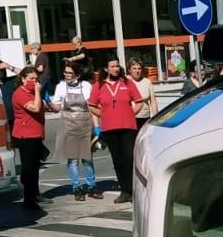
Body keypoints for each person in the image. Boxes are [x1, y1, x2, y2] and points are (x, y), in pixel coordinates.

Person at [89, 58, 144, 204]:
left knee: (129, 158)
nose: (116, 69)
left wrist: (132, 113)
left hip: (128, 127)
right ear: (106, 69)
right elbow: (91, 105)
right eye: (112, 66)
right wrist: (104, 115)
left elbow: (139, 101)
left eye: (117, 66)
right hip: (109, 128)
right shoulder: (98, 85)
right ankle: (125, 191)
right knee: (118, 161)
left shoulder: (127, 82)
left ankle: (134, 190)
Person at [48, 65, 103, 200]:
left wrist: (97, 127)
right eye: (65, 72)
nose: (66, 75)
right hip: (68, 125)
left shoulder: (86, 86)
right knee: (72, 159)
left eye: (69, 73)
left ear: (77, 75)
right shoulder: (60, 87)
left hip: (85, 124)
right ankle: (76, 187)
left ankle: (91, 186)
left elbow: (92, 107)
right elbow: (57, 107)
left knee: (87, 159)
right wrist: (49, 103)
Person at [9, 67, 52, 210]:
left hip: (36, 134)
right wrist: (38, 92)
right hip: (25, 135)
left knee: (35, 166)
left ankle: (35, 194)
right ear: (23, 79)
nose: (34, 81)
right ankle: (28, 199)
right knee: (28, 168)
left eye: (36, 79)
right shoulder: (20, 94)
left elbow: (44, 106)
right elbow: (34, 107)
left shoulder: (33, 92)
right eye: (31, 79)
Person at [128, 58, 157, 129]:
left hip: (145, 118)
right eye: (134, 68)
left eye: (139, 68)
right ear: (129, 70)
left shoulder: (147, 82)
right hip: (131, 118)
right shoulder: (125, 82)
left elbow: (153, 101)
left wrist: (155, 118)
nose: (137, 71)